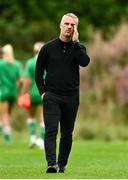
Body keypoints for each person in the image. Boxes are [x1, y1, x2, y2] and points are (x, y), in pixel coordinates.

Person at [35, 13, 90, 173]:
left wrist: (76, 43)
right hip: (51, 96)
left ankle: (62, 164)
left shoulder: (78, 48)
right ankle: (51, 164)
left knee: (67, 133)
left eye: (72, 25)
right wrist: (43, 92)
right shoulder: (47, 48)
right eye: (66, 24)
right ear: (60, 25)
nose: (69, 27)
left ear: (76, 28)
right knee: (51, 131)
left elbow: (84, 62)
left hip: (72, 97)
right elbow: (38, 72)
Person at [20, 42, 45, 149]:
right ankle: (42, 140)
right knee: (44, 117)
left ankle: (32, 137)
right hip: (45, 92)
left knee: (31, 116)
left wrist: (23, 93)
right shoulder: (47, 61)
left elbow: (27, 81)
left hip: (32, 93)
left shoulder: (30, 62)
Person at [0, 44, 22, 144]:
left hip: (3, 92)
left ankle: (7, 138)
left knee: (3, 115)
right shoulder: (17, 64)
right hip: (13, 92)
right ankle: (6, 133)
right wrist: (17, 90)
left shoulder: (1, 64)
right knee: (8, 114)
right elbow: (19, 80)